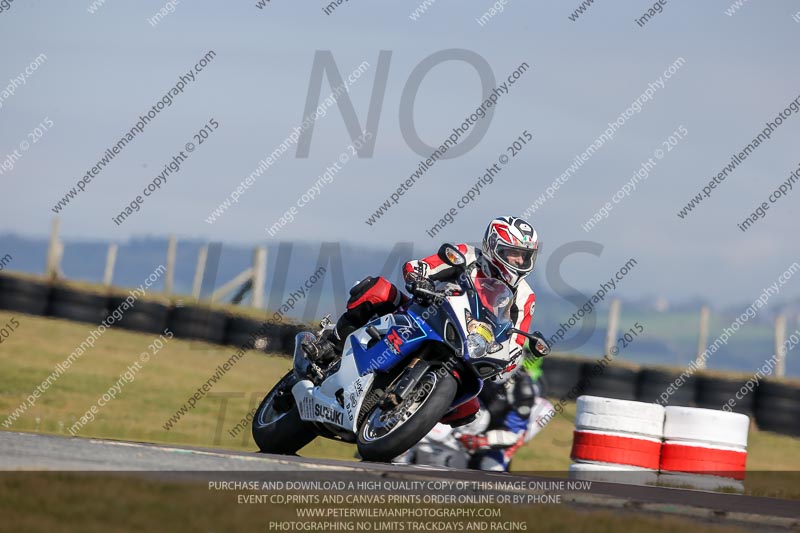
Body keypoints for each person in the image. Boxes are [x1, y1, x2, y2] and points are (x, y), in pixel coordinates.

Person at [304, 215, 544, 426]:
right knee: (377, 290)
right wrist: (421, 280)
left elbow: (516, 337)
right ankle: (331, 345)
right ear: (493, 247)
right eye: (513, 254)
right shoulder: (467, 255)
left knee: (469, 410)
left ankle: (413, 413)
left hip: (468, 342)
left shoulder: (525, 296)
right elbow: (418, 266)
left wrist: (512, 357)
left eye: (524, 257)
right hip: (424, 311)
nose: (518, 262)